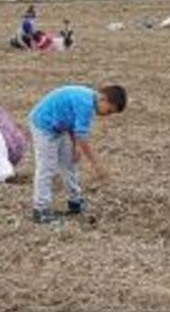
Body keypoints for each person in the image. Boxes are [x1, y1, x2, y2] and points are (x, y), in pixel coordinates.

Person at [28, 84, 128, 224]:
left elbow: (72, 122)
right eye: (109, 111)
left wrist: (75, 147)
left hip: (60, 126)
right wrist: (95, 164)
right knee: (47, 167)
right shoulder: (85, 104)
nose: (107, 115)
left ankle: (74, 201)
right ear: (103, 99)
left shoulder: (91, 99)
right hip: (43, 124)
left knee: (69, 163)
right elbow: (82, 136)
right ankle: (40, 210)